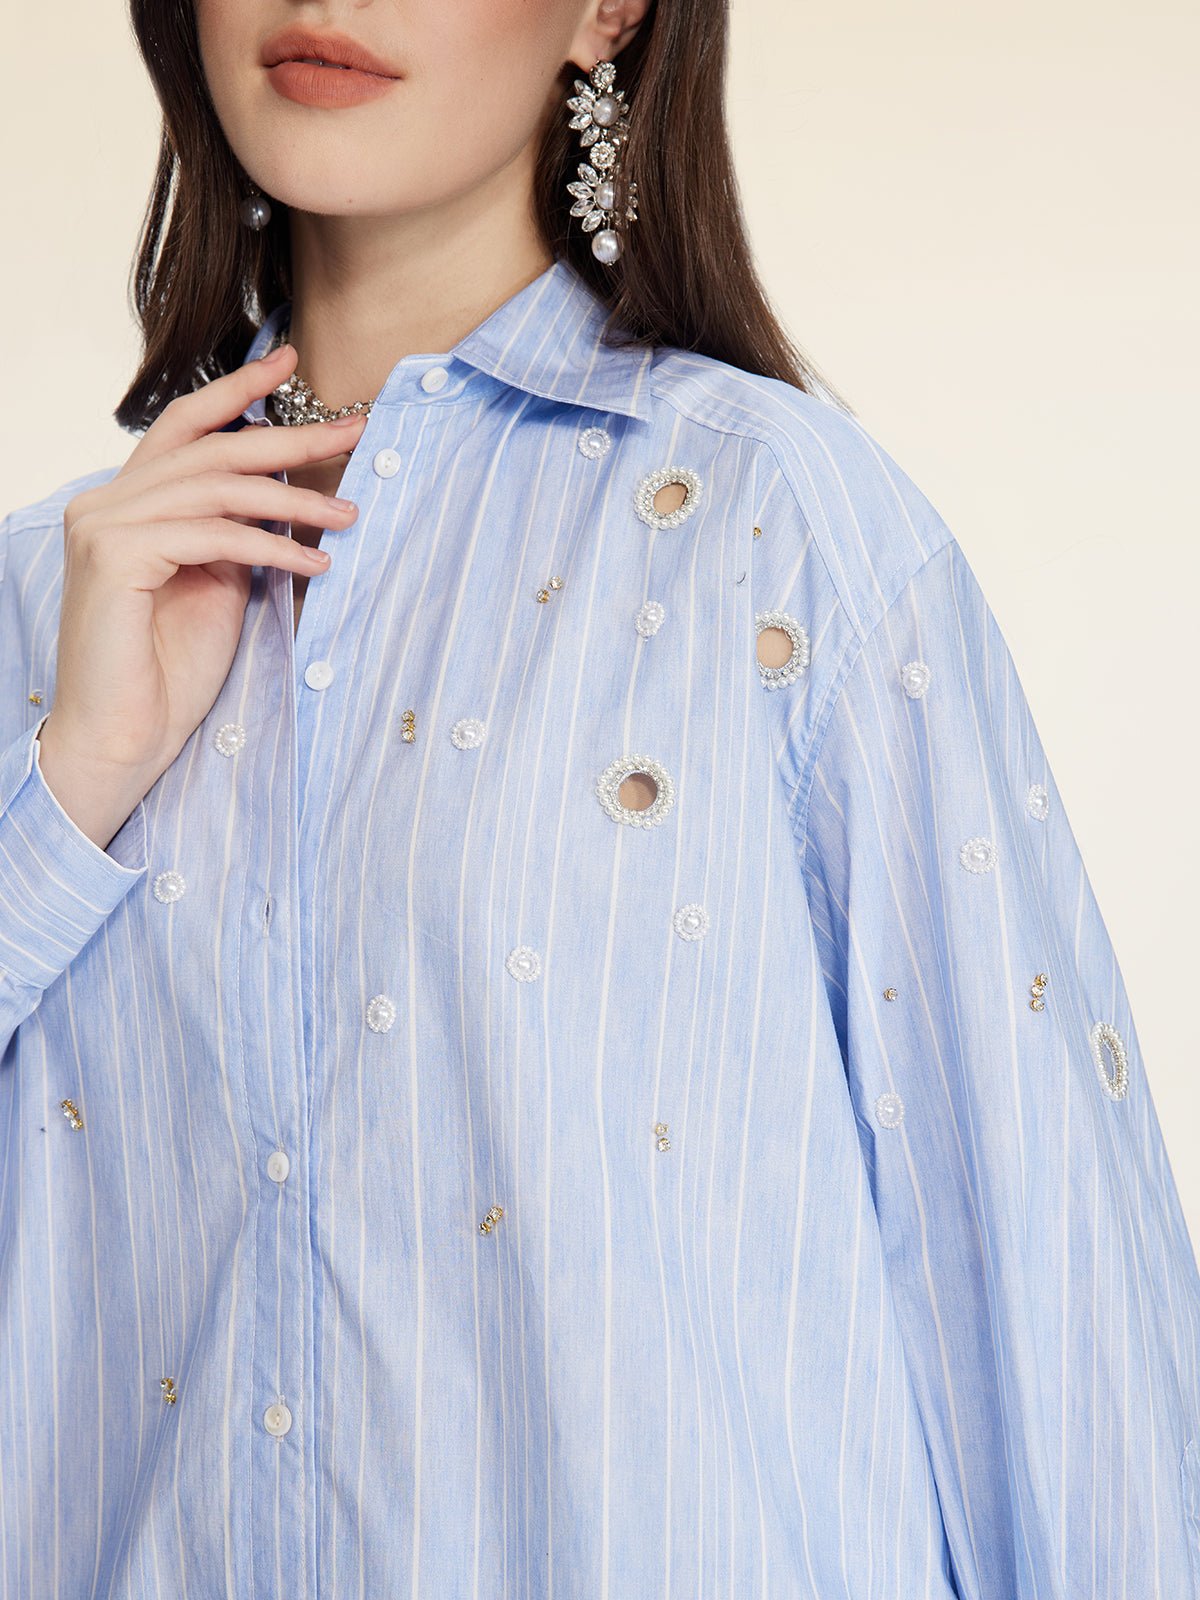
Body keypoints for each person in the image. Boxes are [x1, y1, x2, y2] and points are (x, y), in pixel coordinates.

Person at [2, 0, 1198, 1595]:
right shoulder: (53, 599)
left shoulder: (783, 541)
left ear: (607, 11)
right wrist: (69, 791)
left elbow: (1046, 1296)